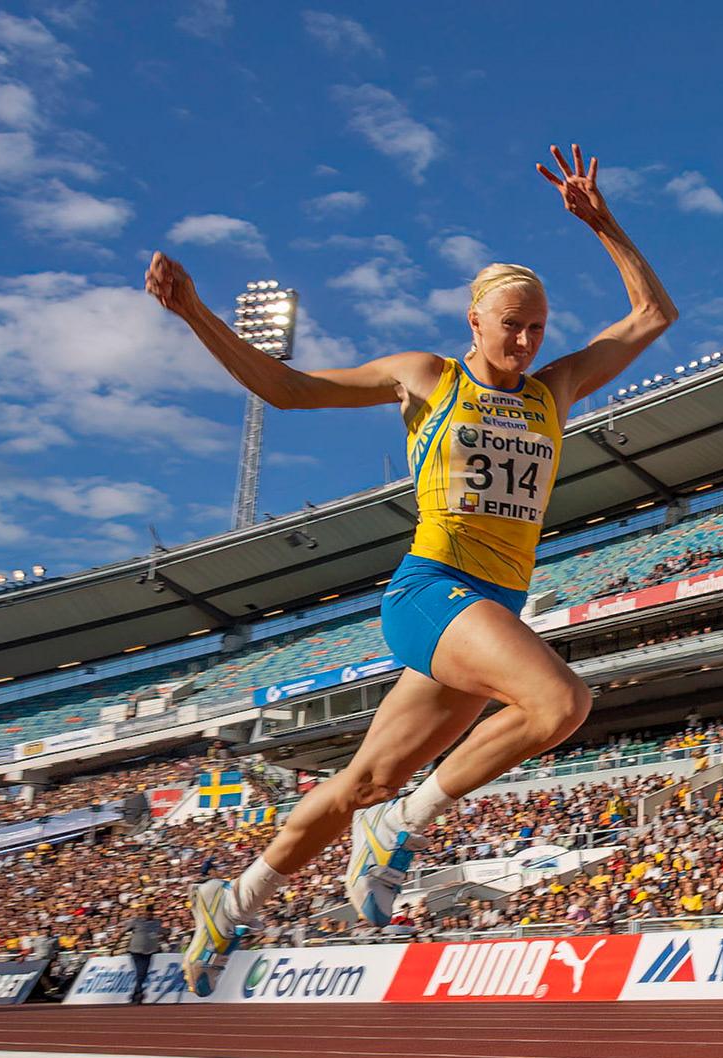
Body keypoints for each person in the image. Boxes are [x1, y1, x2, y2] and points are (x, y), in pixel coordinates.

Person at [146, 144, 676, 996]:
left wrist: (605, 225)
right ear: (475, 323)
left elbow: (653, 314)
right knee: (560, 703)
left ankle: (234, 897)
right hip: (433, 590)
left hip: (489, 607)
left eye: (539, 324)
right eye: (512, 324)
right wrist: (198, 315)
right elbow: (287, 389)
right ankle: (406, 822)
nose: (528, 338)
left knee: (363, 780)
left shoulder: (555, 389)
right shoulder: (427, 378)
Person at [123, 904, 163, 1004]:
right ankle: (138, 993)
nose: (149, 915)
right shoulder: (136, 921)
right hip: (136, 951)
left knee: (143, 973)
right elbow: (124, 930)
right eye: (147, 913)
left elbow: (161, 931)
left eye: (151, 914)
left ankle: (136, 993)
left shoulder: (156, 922)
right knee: (140, 972)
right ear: (143, 913)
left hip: (149, 951)